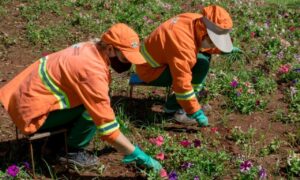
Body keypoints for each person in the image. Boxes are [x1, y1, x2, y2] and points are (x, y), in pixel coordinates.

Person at [0, 23, 162, 171]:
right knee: (92, 110)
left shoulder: (88, 48)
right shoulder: (92, 71)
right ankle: (71, 152)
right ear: (111, 49)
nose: (128, 64)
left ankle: (55, 143)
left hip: (20, 100)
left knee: (94, 102)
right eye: (125, 58)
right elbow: (107, 129)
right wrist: (139, 155)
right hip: (31, 114)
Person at [135, 5, 241, 126]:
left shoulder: (196, 21)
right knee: (200, 65)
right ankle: (174, 110)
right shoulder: (182, 45)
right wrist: (195, 111)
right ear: (205, 32)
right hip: (151, 71)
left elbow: (200, 44)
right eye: (213, 42)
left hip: (162, 61)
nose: (213, 45)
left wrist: (222, 50)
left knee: (203, 60)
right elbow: (182, 84)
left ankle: (187, 103)